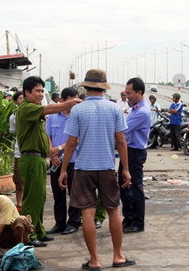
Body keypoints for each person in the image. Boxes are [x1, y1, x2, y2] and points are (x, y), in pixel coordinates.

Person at [58, 69, 135, 270]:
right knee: (113, 211)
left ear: (86, 86)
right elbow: (121, 141)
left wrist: (64, 169)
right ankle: (118, 256)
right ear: (103, 87)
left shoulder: (78, 110)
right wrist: (125, 169)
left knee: (88, 213)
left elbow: (71, 143)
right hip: (108, 166)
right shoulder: (115, 108)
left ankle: (94, 260)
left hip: (84, 168)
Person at [16, 76, 81, 247]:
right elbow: (50, 109)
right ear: (27, 92)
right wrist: (69, 103)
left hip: (38, 158)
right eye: (37, 91)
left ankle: (39, 231)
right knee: (32, 199)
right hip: (30, 158)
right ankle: (28, 235)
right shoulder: (27, 108)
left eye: (42, 91)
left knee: (40, 197)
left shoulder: (34, 109)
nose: (40, 94)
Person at [45, 87, 81, 235]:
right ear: (63, 100)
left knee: (74, 193)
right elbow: (48, 136)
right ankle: (59, 223)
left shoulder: (78, 116)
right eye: (72, 101)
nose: (75, 103)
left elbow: (76, 139)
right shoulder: (52, 117)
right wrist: (52, 153)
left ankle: (73, 222)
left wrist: (58, 148)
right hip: (56, 162)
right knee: (58, 193)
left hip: (73, 160)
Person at [120, 77, 151, 234]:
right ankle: (129, 218)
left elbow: (123, 130)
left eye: (129, 93)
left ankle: (138, 221)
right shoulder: (136, 108)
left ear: (139, 92)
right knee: (124, 186)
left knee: (134, 187)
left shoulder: (142, 112)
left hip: (134, 152)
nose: (127, 96)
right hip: (128, 150)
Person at [9, 91, 24, 208]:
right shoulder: (13, 117)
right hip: (19, 151)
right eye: (20, 98)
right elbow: (13, 132)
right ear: (15, 101)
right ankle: (19, 203)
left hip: (32, 152)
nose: (22, 100)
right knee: (18, 179)